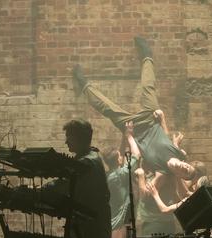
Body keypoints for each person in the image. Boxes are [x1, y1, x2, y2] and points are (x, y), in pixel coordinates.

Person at [72, 36, 197, 187]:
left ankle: (84, 84)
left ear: (179, 176)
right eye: (188, 168)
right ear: (187, 163)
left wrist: (129, 135)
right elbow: (165, 137)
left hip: (134, 129)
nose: (185, 168)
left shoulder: (160, 171)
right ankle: (147, 56)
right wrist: (162, 117)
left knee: (108, 108)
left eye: (185, 173)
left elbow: (138, 156)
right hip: (151, 120)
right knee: (148, 87)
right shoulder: (179, 153)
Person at [102, 121, 141, 238]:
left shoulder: (110, 174)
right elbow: (137, 156)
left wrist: (124, 135)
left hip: (112, 224)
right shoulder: (119, 175)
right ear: (118, 159)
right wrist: (130, 137)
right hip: (118, 225)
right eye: (119, 155)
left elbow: (123, 158)